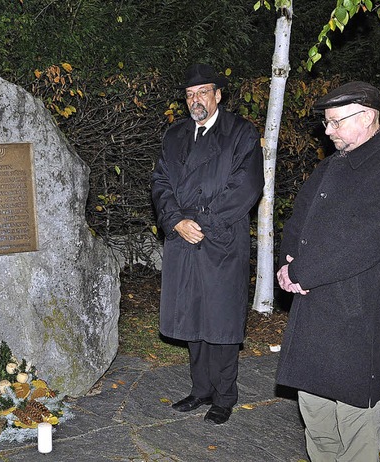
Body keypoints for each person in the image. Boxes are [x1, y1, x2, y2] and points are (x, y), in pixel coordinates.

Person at [276, 81, 380, 461]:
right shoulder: (332, 165)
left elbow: (361, 242)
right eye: (327, 123)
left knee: (354, 420)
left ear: (367, 116)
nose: (328, 131)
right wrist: (288, 263)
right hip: (313, 304)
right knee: (315, 413)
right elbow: (300, 217)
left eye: (335, 122)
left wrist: (301, 272)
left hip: (355, 313)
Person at [151, 63, 264, 425]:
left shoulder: (241, 134)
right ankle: (200, 390)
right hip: (183, 239)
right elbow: (160, 183)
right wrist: (175, 221)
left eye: (202, 93)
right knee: (192, 320)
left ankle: (224, 396)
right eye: (188, 95)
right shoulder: (175, 135)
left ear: (218, 95)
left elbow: (246, 187)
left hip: (221, 240)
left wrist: (201, 222)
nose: (194, 100)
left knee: (221, 323)